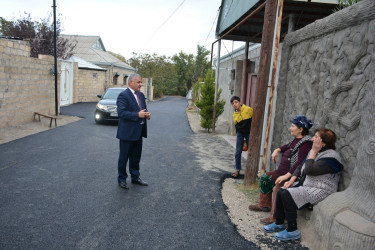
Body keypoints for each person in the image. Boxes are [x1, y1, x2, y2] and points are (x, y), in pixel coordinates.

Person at [263, 128, 343, 241]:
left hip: (321, 190)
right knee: (282, 190)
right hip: (308, 186)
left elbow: (309, 169)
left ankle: (292, 230)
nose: (312, 138)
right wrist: (291, 180)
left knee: (287, 194)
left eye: (315, 137)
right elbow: (301, 165)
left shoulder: (331, 157)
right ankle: (279, 222)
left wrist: (314, 152)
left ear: (323, 143)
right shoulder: (315, 151)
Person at [248, 115, 313, 226]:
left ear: (301, 129)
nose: (290, 128)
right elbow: (286, 146)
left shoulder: (306, 143)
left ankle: (275, 217)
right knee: (266, 178)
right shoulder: (296, 140)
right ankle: (264, 205)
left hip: (291, 176)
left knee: (278, 188)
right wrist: (277, 150)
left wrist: (286, 176)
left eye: (293, 126)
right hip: (281, 173)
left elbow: (299, 163)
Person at [116, 73, 151, 189]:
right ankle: (122, 179)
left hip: (138, 132)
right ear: (131, 82)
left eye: (141, 82)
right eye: (138, 82)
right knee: (124, 158)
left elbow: (143, 109)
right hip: (127, 133)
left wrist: (146, 115)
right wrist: (138, 114)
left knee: (136, 157)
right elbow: (121, 113)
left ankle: (135, 178)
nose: (141, 84)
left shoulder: (140, 95)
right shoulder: (123, 95)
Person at [230, 96, 253, 178]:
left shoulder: (248, 109)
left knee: (251, 151)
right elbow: (236, 126)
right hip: (240, 133)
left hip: (249, 133)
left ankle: (250, 169)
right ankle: (237, 169)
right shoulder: (235, 115)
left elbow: (254, 119)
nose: (235, 104)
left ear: (240, 102)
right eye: (233, 103)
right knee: (238, 152)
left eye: (236, 102)